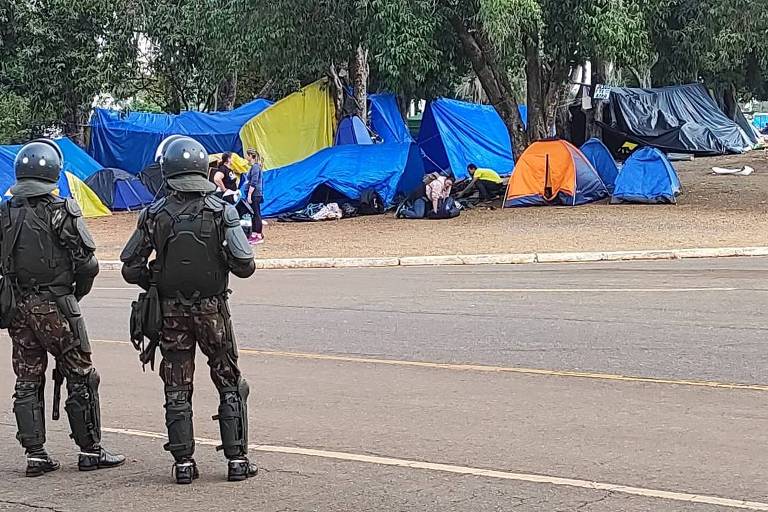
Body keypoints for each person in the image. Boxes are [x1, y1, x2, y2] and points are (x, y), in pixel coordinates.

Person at [120, 135, 257, 485]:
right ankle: (237, 460)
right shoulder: (221, 211)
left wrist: (156, 279)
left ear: (167, 170)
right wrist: (220, 257)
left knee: (177, 385)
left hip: (171, 313)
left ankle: (183, 463)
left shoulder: (154, 214)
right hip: (212, 310)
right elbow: (245, 264)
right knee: (228, 381)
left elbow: (130, 266)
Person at [1, 139, 125, 477]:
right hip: (56, 304)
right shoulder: (61, 210)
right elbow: (88, 265)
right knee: (81, 374)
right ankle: (89, 450)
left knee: (27, 378)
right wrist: (75, 295)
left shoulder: (5, 212)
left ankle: (35, 454)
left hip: (19, 306)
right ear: (53, 172)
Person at [244, 148, 264, 245]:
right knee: (253, 214)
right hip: (254, 194)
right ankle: (255, 233)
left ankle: (259, 235)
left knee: (256, 214)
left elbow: (254, 182)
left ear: (251, 156)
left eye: (247, 155)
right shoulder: (253, 167)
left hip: (255, 194)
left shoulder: (255, 167)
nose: (246, 157)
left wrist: (249, 195)